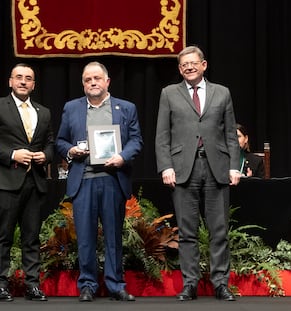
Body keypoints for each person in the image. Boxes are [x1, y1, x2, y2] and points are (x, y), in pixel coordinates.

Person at [155, 46, 241, 301]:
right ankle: (190, 283)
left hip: (217, 167)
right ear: (179, 69)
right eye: (184, 65)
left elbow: (230, 135)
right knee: (187, 230)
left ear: (204, 65)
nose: (189, 67)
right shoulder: (169, 93)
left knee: (219, 230)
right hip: (183, 169)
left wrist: (234, 166)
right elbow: (162, 135)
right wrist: (166, 166)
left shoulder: (222, 93)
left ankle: (220, 284)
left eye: (193, 63)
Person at [56, 61, 143, 302]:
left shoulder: (126, 108)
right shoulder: (71, 108)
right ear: (83, 84)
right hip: (83, 180)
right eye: (87, 79)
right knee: (85, 237)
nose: (92, 82)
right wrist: (71, 150)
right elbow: (60, 141)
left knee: (113, 236)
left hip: (113, 180)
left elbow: (136, 140)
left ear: (107, 82)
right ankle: (88, 285)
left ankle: (116, 285)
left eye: (97, 78)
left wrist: (122, 157)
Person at [0, 63, 55, 302]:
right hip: (5, 182)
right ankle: (0, 284)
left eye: (28, 78)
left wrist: (47, 155)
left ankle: (33, 285)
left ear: (34, 84)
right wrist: (12, 155)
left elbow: (50, 142)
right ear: (10, 81)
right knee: (4, 236)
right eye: (18, 77)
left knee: (31, 238)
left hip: (35, 182)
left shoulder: (43, 111)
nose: (23, 81)